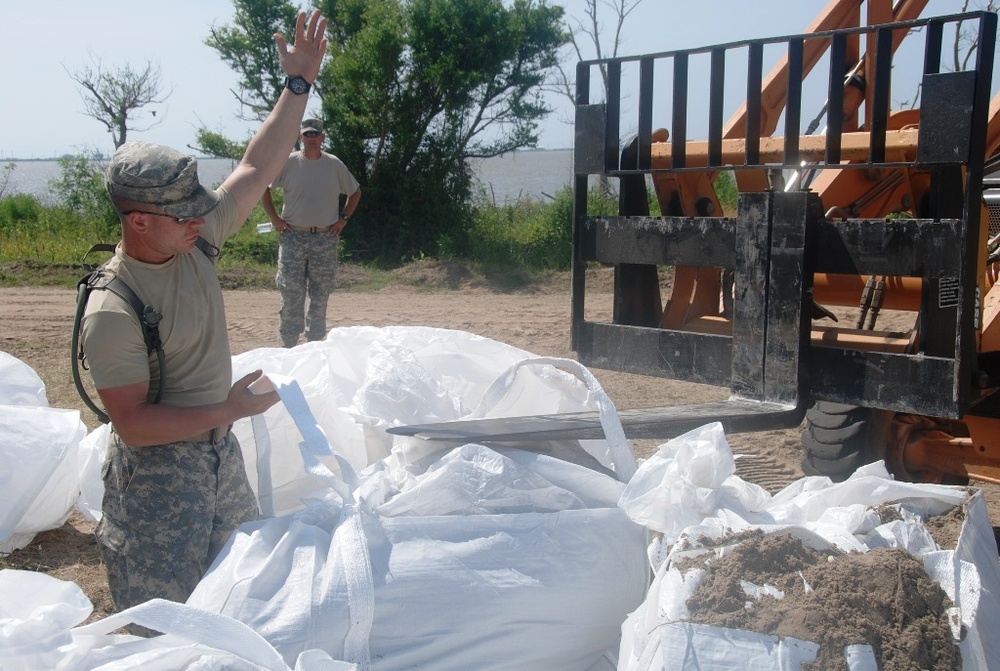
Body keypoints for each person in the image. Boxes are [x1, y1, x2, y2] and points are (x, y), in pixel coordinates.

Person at [80, 9, 329, 619]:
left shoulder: (192, 240)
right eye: (183, 214)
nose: (201, 219)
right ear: (138, 220)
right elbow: (134, 425)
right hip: (160, 482)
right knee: (164, 629)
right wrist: (233, 409)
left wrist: (298, 85)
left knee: (242, 604)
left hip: (220, 456)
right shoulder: (114, 307)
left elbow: (255, 166)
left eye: (200, 210)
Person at [261, 117, 361, 347]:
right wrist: (274, 219)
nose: (312, 138)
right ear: (300, 138)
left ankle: (315, 342)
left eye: (316, 134)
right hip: (293, 237)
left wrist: (343, 219)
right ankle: (289, 343)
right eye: (307, 134)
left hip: (325, 238)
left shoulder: (334, 165)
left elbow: (355, 192)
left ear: (323, 137)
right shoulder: (289, 163)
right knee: (291, 292)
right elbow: (264, 189)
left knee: (320, 293)